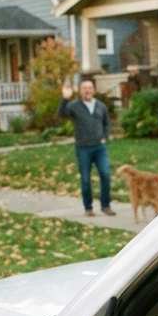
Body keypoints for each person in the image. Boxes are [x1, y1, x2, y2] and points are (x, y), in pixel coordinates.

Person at [58, 77, 114, 217]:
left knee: (105, 174)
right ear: (80, 90)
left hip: (99, 148)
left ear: (94, 90)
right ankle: (88, 208)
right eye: (84, 88)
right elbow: (60, 114)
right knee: (85, 179)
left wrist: (105, 136)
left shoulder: (101, 106)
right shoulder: (74, 106)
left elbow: (107, 123)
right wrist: (65, 98)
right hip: (83, 148)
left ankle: (105, 206)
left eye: (90, 88)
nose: (87, 91)